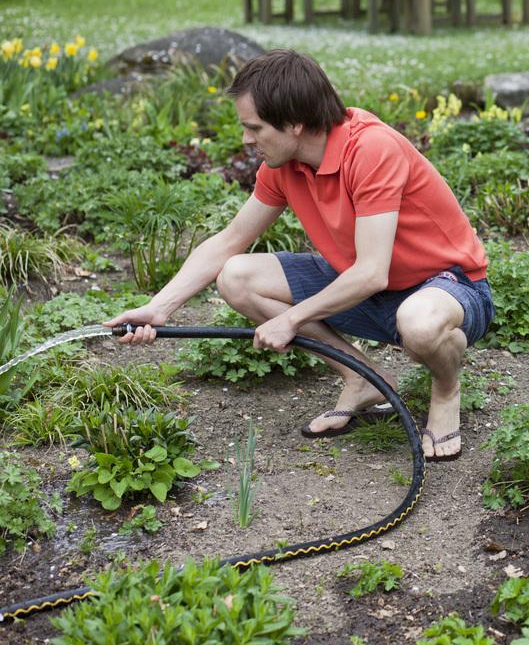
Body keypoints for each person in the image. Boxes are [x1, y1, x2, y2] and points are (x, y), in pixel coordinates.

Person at [105, 49, 493, 462]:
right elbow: (230, 240)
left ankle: (446, 390)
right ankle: (364, 380)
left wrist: (290, 319)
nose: (246, 139)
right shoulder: (283, 163)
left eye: (254, 127)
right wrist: (159, 307)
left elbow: (371, 274)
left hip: (447, 287)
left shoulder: (371, 150)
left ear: (294, 124)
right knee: (236, 276)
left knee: (418, 322)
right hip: (368, 287)